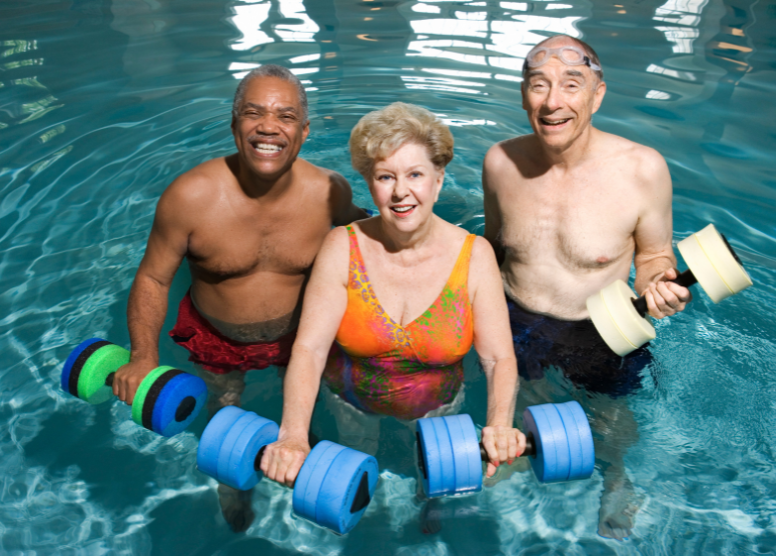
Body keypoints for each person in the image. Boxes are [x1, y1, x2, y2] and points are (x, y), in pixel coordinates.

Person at [112, 64, 366, 531]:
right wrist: (144, 357)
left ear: (304, 131)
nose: (269, 126)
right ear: (234, 126)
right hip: (218, 339)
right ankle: (233, 486)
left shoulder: (329, 191)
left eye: (285, 116)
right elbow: (152, 279)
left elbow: (367, 228)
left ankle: (302, 457)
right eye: (254, 113)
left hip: (300, 339)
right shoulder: (190, 197)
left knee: (307, 412)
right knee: (225, 409)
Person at [260, 103, 525, 531]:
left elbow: (498, 359)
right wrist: (292, 435)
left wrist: (499, 425)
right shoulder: (341, 247)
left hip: (438, 404)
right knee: (355, 473)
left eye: (415, 175)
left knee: (435, 479)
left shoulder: (474, 256)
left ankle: (430, 502)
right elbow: (309, 349)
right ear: (370, 183)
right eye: (386, 177)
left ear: (438, 181)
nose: (401, 192)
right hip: (350, 400)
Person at [482, 35, 691, 540]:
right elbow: (490, 251)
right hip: (519, 319)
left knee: (610, 422)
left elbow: (655, 255)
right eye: (539, 85)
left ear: (596, 95)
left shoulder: (643, 169)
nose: (553, 101)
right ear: (523, 95)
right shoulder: (500, 163)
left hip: (601, 326)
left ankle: (617, 478)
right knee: (524, 402)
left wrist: (661, 284)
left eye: (571, 85)